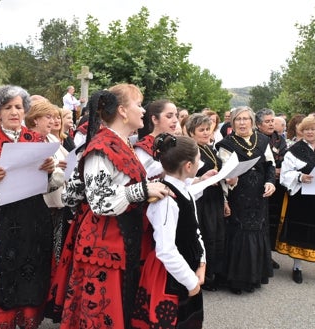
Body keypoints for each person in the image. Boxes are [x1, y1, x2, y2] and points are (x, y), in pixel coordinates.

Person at [47, 85, 171, 329]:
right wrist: (143, 190)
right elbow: (100, 201)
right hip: (104, 246)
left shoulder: (122, 143)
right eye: (139, 104)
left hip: (122, 240)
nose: (143, 110)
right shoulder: (102, 148)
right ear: (123, 111)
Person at [0, 85, 61, 328]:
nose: (14, 112)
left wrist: (50, 172)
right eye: (8, 107)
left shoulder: (39, 141)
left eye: (19, 107)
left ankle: (28, 320)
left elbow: (57, 180)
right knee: (3, 279)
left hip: (33, 220)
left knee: (31, 275)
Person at [131, 133, 206, 328]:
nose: (201, 162)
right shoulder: (166, 200)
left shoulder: (184, 190)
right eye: (199, 159)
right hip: (169, 274)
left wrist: (202, 262)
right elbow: (166, 249)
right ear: (188, 166)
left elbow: (194, 231)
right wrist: (191, 282)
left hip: (188, 266)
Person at [215, 106, 276, 294]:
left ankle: (255, 276)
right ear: (232, 123)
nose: (242, 123)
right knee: (239, 233)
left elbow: (270, 165)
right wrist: (229, 180)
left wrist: (270, 182)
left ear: (252, 121)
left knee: (257, 231)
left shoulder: (263, 140)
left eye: (245, 119)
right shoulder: (226, 144)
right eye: (238, 119)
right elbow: (224, 172)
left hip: (259, 195)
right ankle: (237, 280)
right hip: (238, 195)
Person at [276, 116, 315, 287]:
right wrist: (300, 176)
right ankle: (297, 268)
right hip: (302, 198)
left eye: (313, 129)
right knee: (300, 232)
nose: (310, 132)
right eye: (306, 129)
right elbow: (285, 175)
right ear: (301, 131)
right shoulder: (293, 151)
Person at [186, 113, 227, 291]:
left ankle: (213, 272)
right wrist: (202, 179)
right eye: (201, 130)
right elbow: (187, 176)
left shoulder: (209, 148)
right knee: (206, 235)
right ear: (191, 132)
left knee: (217, 235)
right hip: (201, 198)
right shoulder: (190, 150)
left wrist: (225, 200)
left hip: (215, 196)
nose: (205, 133)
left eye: (207, 130)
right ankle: (204, 276)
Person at [25, 101, 68, 263]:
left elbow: (64, 158)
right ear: (35, 120)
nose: (52, 121)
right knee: (41, 253)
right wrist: (58, 169)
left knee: (55, 251)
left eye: (54, 117)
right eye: (48, 117)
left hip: (57, 204)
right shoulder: (28, 140)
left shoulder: (50, 138)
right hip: (41, 206)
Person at [255, 109, 287, 270]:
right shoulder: (255, 139)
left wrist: (278, 168)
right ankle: (258, 255)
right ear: (258, 124)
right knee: (260, 222)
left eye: (272, 121)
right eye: (267, 121)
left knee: (272, 223)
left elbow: (284, 158)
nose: (270, 124)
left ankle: (268, 255)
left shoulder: (279, 139)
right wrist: (272, 168)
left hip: (277, 187)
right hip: (258, 186)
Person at [135, 99, 179, 180]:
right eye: (169, 116)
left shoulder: (175, 142)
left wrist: (200, 179)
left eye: (176, 115)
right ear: (155, 119)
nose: (175, 120)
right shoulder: (143, 148)